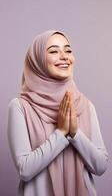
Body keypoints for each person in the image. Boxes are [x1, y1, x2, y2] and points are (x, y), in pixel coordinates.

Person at [7, 30, 108, 196]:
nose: (64, 56)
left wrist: (75, 134)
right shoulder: (20, 107)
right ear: (37, 61)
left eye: (68, 50)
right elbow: (24, 169)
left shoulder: (85, 105)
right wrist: (61, 134)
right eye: (54, 51)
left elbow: (101, 166)